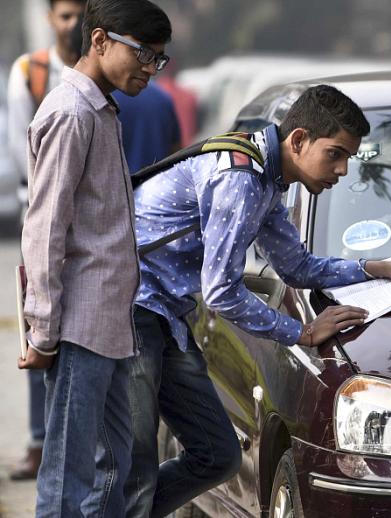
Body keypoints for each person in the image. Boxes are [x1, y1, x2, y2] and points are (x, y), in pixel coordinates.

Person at [125, 84, 391, 517]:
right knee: (133, 467)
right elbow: (221, 291)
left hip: (167, 316)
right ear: (299, 140)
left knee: (218, 455)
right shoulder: (241, 178)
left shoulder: (267, 176)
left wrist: (373, 269)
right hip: (132, 309)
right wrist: (301, 332)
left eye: (349, 157)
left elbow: (296, 267)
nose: (343, 170)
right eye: (336, 154)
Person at [19, 0, 171, 514]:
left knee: (114, 468)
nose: (150, 69)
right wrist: (41, 331)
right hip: (78, 328)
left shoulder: (100, 109)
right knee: (66, 480)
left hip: (109, 326)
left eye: (159, 60)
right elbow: (44, 229)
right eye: (143, 55)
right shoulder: (70, 112)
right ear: (100, 40)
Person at [6, 0, 86, 481]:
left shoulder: (98, 71)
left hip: (90, 222)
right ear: (51, 20)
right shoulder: (31, 72)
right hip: (41, 211)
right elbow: (22, 145)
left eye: (80, 14)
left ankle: (70, 441)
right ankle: (39, 441)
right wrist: (52, 203)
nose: (72, 24)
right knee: (41, 322)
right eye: (65, 16)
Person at [114, 82, 181, 172]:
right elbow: (176, 150)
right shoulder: (162, 97)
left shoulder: (106, 100)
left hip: (117, 182)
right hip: (157, 180)